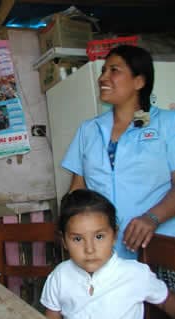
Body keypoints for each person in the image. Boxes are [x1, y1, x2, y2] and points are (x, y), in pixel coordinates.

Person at [61, 45, 175, 259]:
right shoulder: (89, 130)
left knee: (160, 294)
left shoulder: (168, 124)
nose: (103, 77)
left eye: (114, 70)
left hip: (159, 250)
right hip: (104, 256)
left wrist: (152, 218)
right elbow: (77, 190)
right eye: (103, 70)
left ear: (139, 81)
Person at [40, 189, 175, 319]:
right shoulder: (60, 276)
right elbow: (52, 315)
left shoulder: (136, 274)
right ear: (64, 241)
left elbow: (165, 301)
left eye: (99, 237)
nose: (89, 249)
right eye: (78, 239)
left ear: (114, 235)